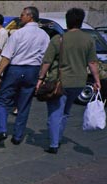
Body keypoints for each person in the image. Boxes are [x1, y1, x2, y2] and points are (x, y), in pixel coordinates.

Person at [36, 8, 101, 154]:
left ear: (67, 21)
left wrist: (40, 78)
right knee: (65, 111)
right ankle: (58, 137)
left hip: (60, 82)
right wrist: (97, 80)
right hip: (78, 83)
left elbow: (47, 61)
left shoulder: (59, 39)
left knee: (55, 113)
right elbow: (93, 63)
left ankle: (53, 144)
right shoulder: (89, 40)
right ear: (81, 22)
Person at [0, 6, 49, 146]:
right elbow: (46, 58)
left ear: (30, 16)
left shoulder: (18, 34)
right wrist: (41, 77)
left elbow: (7, 56)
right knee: (24, 104)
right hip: (32, 70)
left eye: (22, 15)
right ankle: (17, 136)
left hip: (15, 69)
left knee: (3, 100)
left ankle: (2, 130)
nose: (20, 17)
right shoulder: (44, 35)